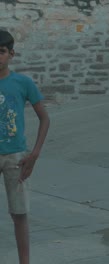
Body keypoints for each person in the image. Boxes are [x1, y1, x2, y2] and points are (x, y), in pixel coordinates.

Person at [0, 30, 50, 264]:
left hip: (16, 155)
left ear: (11, 54)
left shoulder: (23, 83)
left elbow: (45, 118)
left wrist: (35, 154)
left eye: (1, 52)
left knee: (19, 214)